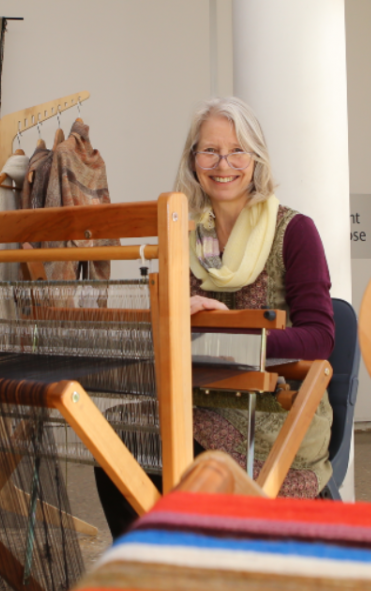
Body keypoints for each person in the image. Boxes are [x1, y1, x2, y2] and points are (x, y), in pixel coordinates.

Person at [95, 97, 334, 537]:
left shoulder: (295, 231)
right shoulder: (182, 234)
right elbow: (170, 332)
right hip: (197, 400)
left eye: (237, 150)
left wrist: (232, 329)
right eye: (209, 150)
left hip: (271, 413)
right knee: (114, 434)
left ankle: (186, 571)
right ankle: (152, 575)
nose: (223, 163)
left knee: (174, 459)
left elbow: (319, 338)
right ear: (193, 160)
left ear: (256, 159)